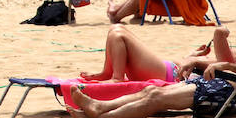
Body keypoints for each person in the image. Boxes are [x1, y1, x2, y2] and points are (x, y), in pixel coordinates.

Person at [65, 26, 236, 118]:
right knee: (151, 91)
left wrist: (229, 65)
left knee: (156, 98)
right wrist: (199, 59)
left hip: (226, 91)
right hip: (223, 86)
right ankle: (100, 107)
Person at [79, 24, 216, 84]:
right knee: (116, 28)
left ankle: (116, 77)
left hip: (167, 75)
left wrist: (195, 59)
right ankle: (107, 73)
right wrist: (193, 55)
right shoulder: (213, 62)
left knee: (118, 36)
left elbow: (191, 68)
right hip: (166, 68)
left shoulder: (223, 64)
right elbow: (188, 64)